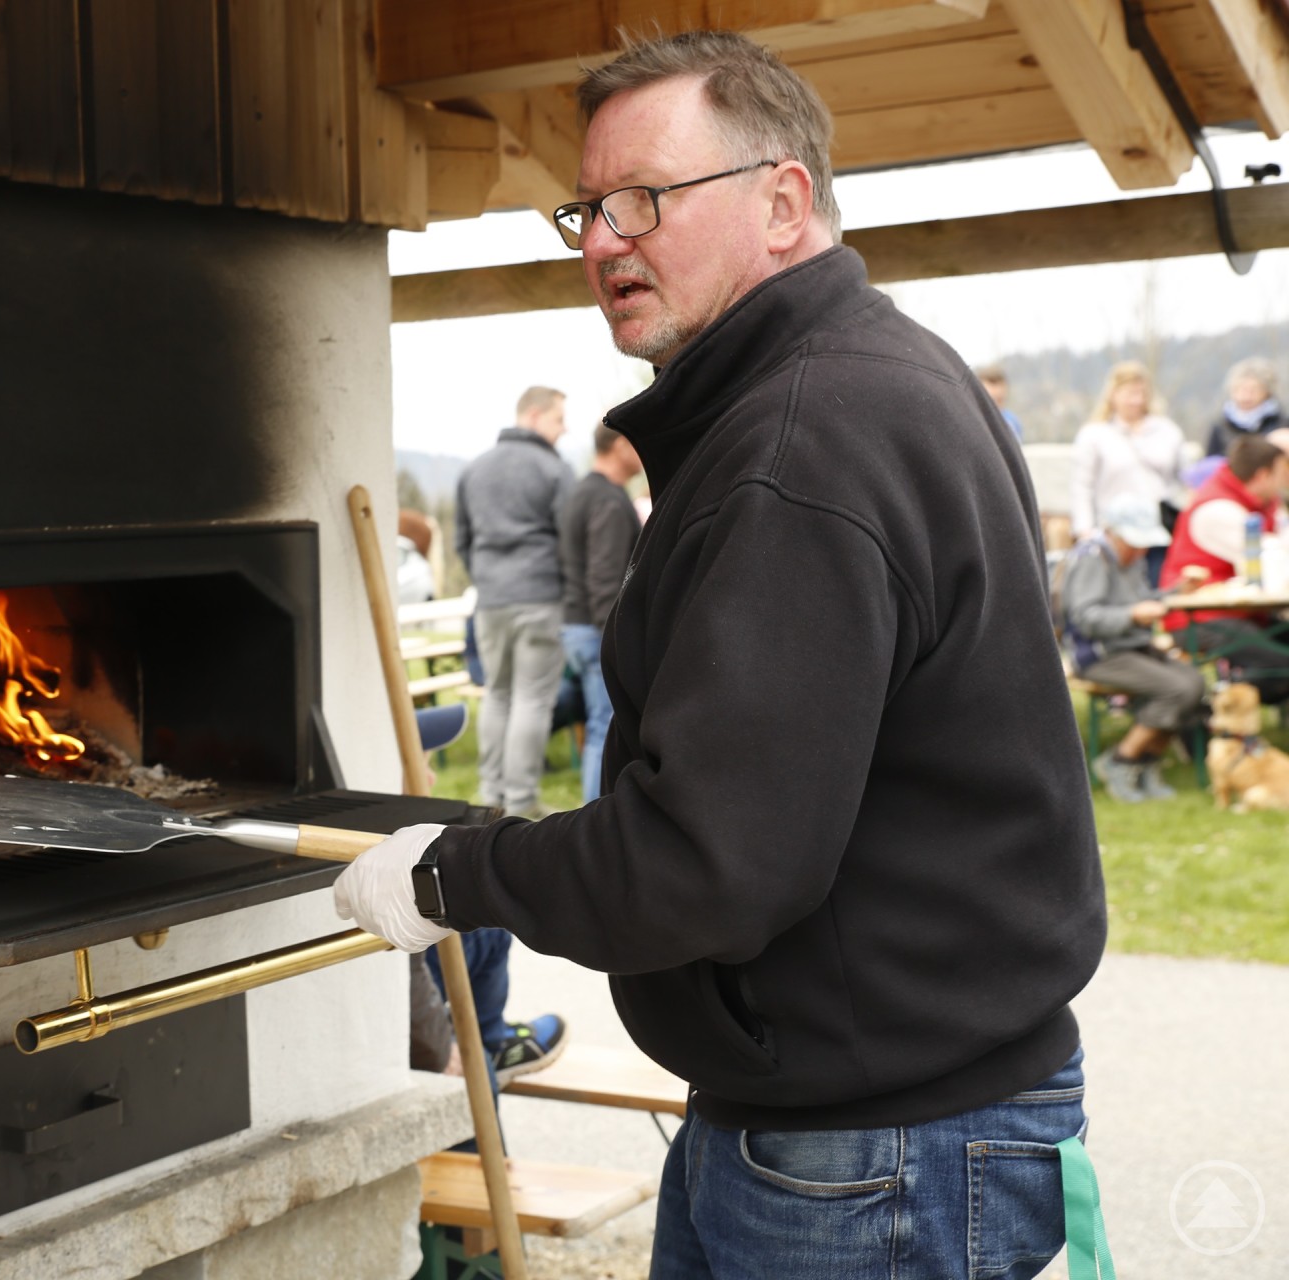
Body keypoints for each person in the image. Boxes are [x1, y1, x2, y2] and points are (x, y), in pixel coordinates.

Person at [334, 31, 1107, 1280]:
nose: (601, 241)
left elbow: (706, 858)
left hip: (872, 1153)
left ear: (783, 202)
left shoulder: (804, 441)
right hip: (850, 1108)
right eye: (587, 208)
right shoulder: (871, 373)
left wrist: (450, 877)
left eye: (644, 199)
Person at [453, 386, 577, 819]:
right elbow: (572, 541)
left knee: (497, 694)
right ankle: (521, 802)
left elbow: (462, 541)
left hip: (490, 601)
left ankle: (490, 796)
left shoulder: (474, 470)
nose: (564, 429)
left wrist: (488, 579)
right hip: (540, 598)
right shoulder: (555, 471)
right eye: (559, 419)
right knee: (531, 699)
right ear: (536, 415)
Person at [1061, 493, 1204, 802]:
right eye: (1135, 542)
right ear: (1114, 533)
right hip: (1099, 654)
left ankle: (1146, 763)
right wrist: (1131, 615)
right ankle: (1121, 761)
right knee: (1177, 689)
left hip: (1132, 646)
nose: (1142, 549)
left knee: (1194, 682)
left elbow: (1144, 599)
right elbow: (1085, 618)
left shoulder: (1131, 557)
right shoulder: (1092, 558)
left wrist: (1176, 590)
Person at [1159, 434, 1289, 703]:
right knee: (1281, 666)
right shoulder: (1218, 509)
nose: (1285, 479)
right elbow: (1273, 564)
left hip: (1241, 612)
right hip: (1199, 618)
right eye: (1282, 472)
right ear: (1263, 475)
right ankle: (1216, 710)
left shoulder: (1260, 502)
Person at [559, 423, 644, 803]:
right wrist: (616, 640)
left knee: (599, 726)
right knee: (603, 729)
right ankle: (596, 817)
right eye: (637, 444)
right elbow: (605, 578)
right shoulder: (608, 500)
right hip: (595, 630)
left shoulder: (581, 492)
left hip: (576, 626)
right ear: (621, 444)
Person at [1070, 361, 1187, 587]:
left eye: (1140, 393)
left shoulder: (1167, 431)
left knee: (1158, 591)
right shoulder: (1094, 434)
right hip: (1116, 534)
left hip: (1160, 530)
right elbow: (1082, 486)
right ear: (1112, 395)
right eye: (1128, 394)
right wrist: (1085, 530)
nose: (1136, 400)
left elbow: (1185, 478)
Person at [1203, 356, 1283, 459]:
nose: (1245, 396)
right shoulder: (1220, 427)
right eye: (1239, 389)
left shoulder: (1281, 423)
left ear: (1267, 392)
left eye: (1253, 390)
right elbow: (1211, 463)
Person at [976, 364, 1024, 441]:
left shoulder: (1011, 423)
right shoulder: (974, 423)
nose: (994, 407)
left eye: (999, 400)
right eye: (990, 400)